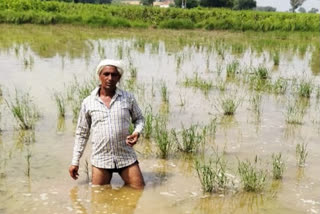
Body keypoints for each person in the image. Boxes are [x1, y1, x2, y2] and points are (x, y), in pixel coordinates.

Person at [68, 59, 145, 189]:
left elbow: (139, 119)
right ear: (99, 76)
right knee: (99, 198)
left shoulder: (128, 98)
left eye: (114, 75)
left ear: (119, 77)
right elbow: (82, 133)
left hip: (125, 156)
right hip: (101, 158)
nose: (110, 78)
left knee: (139, 189)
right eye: (106, 74)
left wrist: (136, 132)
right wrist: (75, 162)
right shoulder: (88, 102)